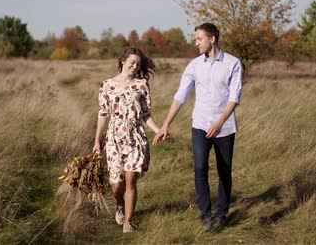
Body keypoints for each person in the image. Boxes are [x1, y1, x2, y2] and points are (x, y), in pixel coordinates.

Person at [154, 23, 243, 231]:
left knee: (224, 171)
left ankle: (221, 214)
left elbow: (234, 97)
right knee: (200, 168)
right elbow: (181, 95)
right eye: (195, 39)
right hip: (201, 124)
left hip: (225, 127)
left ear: (212, 38)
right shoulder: (194, 65)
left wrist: (220, 122)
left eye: (199, 39)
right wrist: (166, 124)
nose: (196, 43)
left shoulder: (233, 63)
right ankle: (205, 215)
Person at [92, 46, 160, 233]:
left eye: (138, 64)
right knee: (116, 184)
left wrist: (158, 130)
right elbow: (103, 114)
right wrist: (97, 141)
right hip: (114, 139)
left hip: (135, 138)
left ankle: (128, 222)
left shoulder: (142, 85)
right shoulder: (107, 85)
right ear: (123, 61)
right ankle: (120, 204)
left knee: (131, 181)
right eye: (132, 63)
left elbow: (146, 114)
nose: (135, 66)